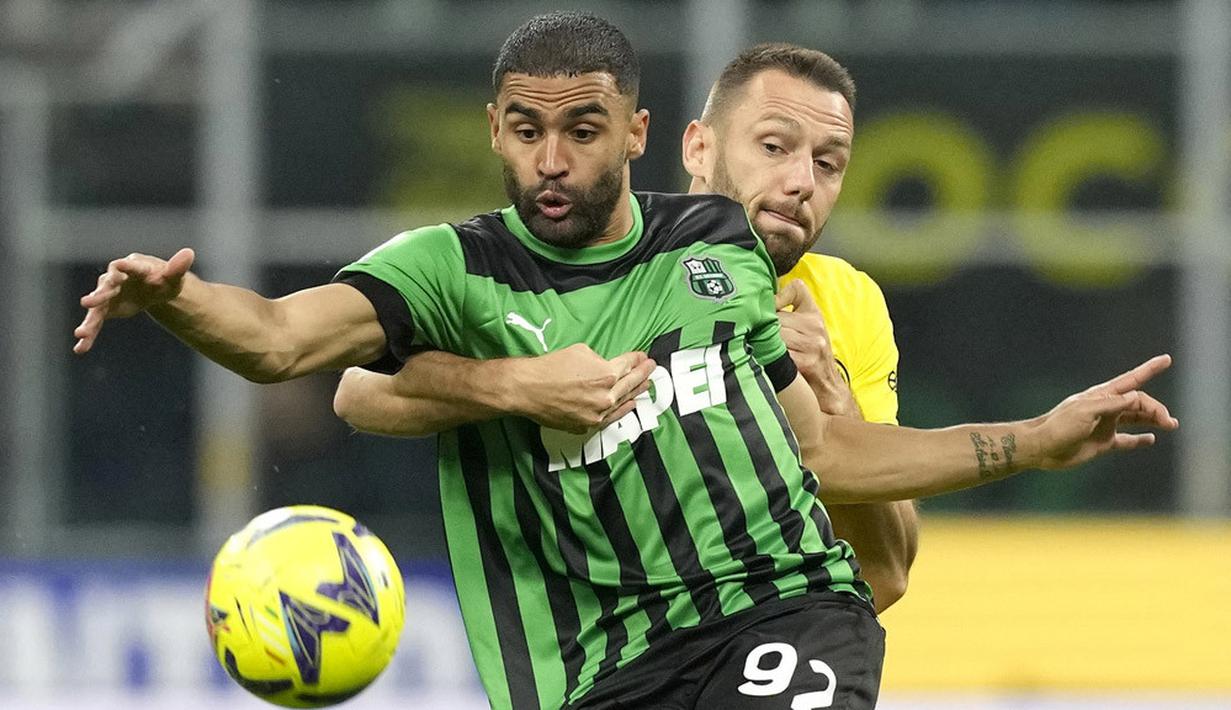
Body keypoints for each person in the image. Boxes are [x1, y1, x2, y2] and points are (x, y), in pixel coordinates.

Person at [73, 12, 1177, 710]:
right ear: (494, 130)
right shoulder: (452, 270)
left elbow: (838, 480)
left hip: (776, 610)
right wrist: (178, 303)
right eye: (524, 130)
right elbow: (292, 347)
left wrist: (1034, 438)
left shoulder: (718, 252)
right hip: (592, 666)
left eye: (583, 130)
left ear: (637, 133)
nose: (552, 159)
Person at [333, 43, 919, 612]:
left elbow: (886, 573)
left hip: (756, 642)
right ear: (697, 148)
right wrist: (517, 385)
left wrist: (834, 403)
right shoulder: (593, 255)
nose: (802, 182)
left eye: (828, 163)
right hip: (588, 651)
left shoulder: (845, 302)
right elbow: (358, 390)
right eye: (773, 146)